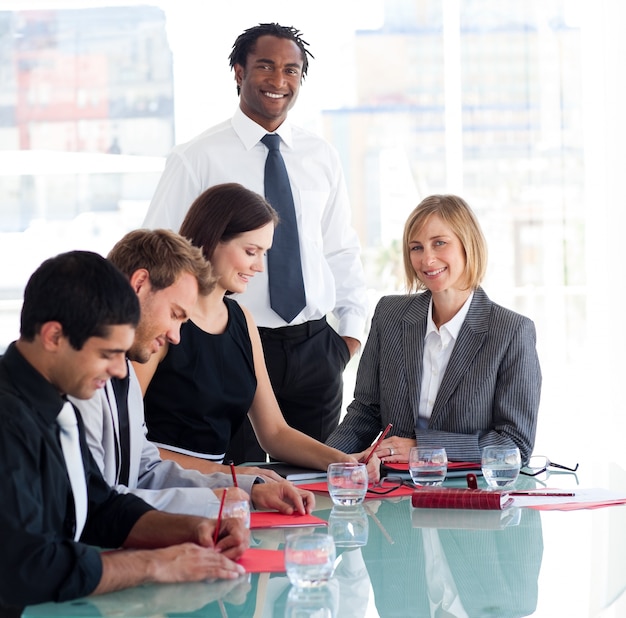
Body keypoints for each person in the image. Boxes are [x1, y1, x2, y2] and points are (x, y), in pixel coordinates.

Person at [142, 23, 368, 463]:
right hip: (232, 345)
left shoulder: (320, 155)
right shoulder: (197, 157)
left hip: (316, 349)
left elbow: (340, 249)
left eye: (291, 70)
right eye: (265, 66)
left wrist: (347, 339)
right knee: (241, 483)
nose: (278, 80)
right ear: (238, 72)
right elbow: (157, 253)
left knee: (313, 491)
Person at [0, 251, 248, 615]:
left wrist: (194, 529)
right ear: (54, 336)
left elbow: (100, 506)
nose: (120, 371)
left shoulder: (54, 403)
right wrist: (156, 565)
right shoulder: (9, 422)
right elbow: (27, 566)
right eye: (108, 354)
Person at [134, 184, 379, 481]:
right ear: (211, 241)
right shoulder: (163, 320)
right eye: (251, 251)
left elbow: (274, 432)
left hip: (219, 484)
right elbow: (130, 444)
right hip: (158, 482)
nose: (259, 267)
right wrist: (233, 475)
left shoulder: (242, 320)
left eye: (264, 253)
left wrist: (344, 462)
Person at [72, 228, 316, 517]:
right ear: (139, 284)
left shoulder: (121, 374)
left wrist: (248, 490)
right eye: (175, 314)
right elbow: (98, 504)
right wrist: (229, 501)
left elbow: (147, 470)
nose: (176, 336)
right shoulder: (78, 384)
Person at [326, 194, 541, 464]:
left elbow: (514, 445)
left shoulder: (512, 332)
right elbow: (365, 413)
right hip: (392, 487)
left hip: (467, 493)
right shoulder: (389, 314)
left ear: (467, 244)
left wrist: (422, 449)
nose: (427, 260)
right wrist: (323, 462)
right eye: (416, 248)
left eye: (439, 243)